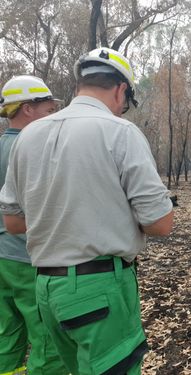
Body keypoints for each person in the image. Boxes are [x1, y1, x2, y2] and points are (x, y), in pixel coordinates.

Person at [0, 48, 174, 375]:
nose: (123, 109)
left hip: (47, 289)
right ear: (121, 89)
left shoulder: (28, 137)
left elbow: (12, 222)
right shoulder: (120, 132)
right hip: (100, 288)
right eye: (126, 101)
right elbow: (161, 223)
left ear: (80, 84)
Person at [0, 75, 68, 375]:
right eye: (47, 109)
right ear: (27, 108)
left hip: (2, 261)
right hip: (27, 259)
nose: (51, 116)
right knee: (48, 339)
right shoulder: (35, 149)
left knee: (7, 334)